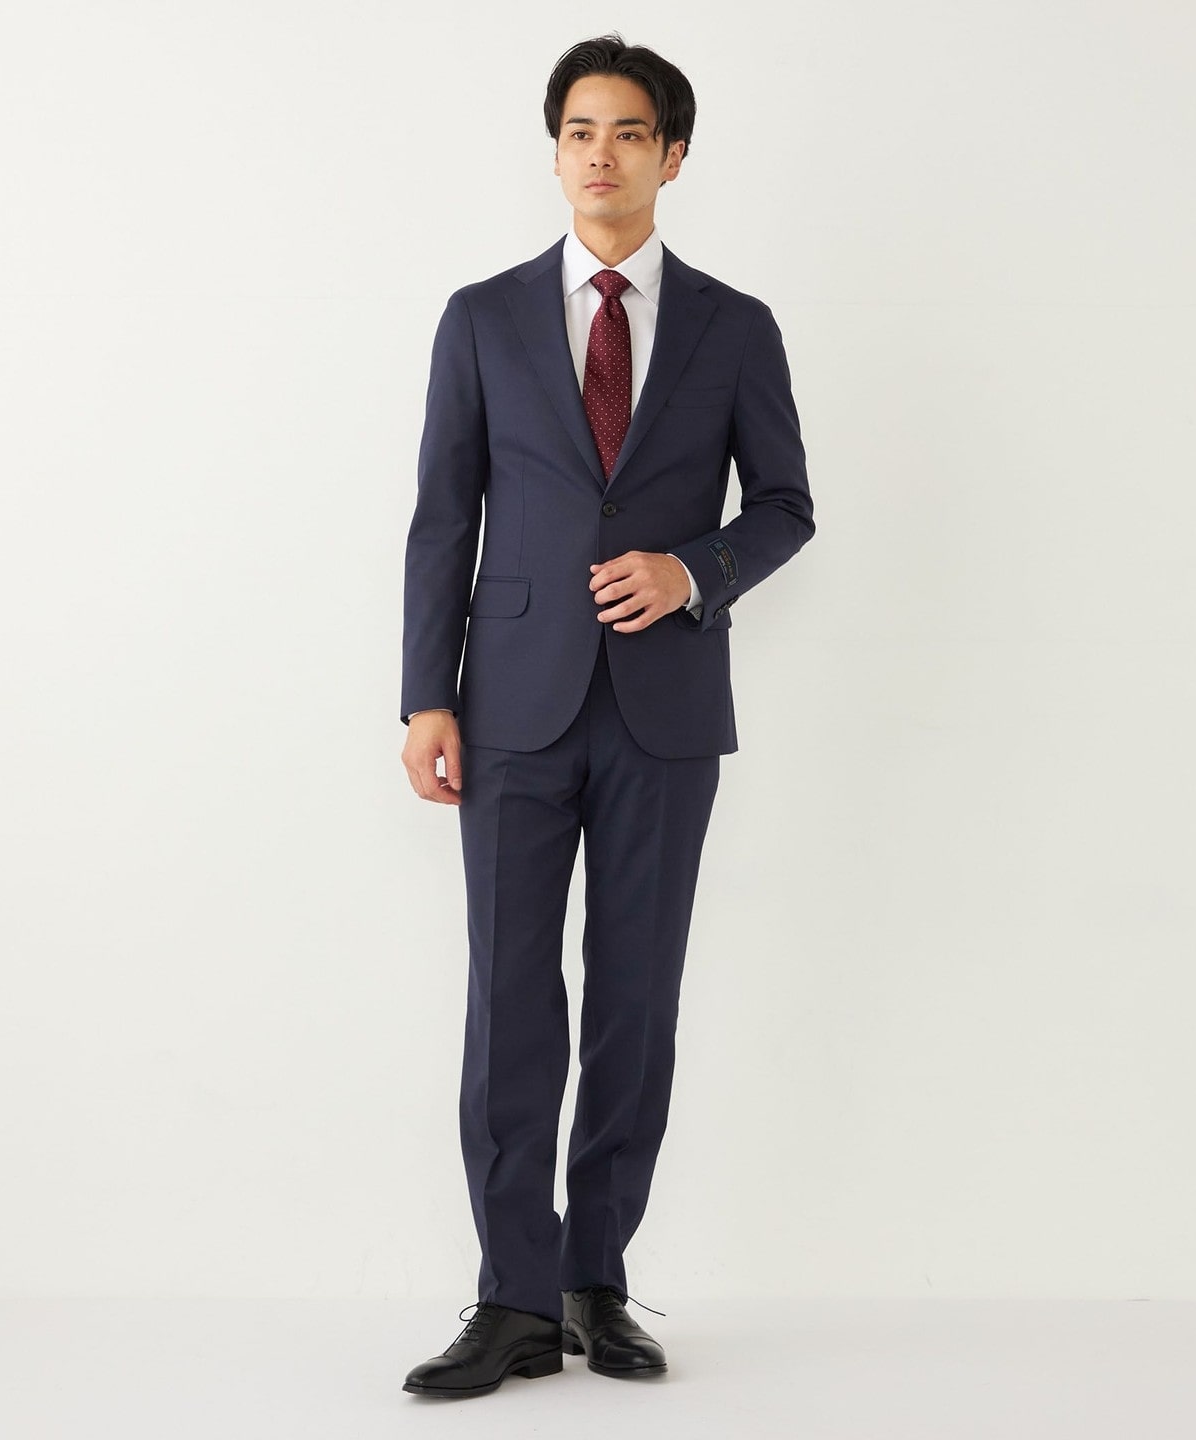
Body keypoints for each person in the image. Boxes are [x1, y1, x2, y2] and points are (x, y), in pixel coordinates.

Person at [398, 34, 815, 1398]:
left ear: (671, 157)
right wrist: (426, 696)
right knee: (510, 1001)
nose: (601, 153)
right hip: (509, 711)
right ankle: (513, 1297)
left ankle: (597, 1278)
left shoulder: (735, 326)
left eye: (630, 132)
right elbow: (443, 517)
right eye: (580, 130)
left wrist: (693, 570)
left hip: (663, 713)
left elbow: (786, 507)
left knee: (636, 1000)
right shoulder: (481, 317)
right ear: (555, 149)